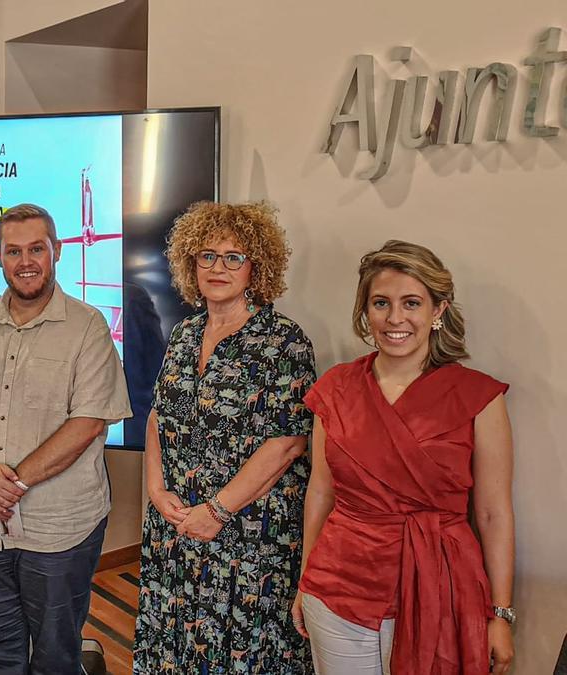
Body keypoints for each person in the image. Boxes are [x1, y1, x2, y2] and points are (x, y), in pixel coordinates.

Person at [294, 240, 515, 675]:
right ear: (366, 312)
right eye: (381, 303)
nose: (395, 318)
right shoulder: (336, 388)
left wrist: (501, 613)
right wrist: (305, 580)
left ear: (438, 310)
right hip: (339, 588)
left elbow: (492, 514)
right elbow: (320, 492)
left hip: (442, 586)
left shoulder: (478, 396)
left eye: (411, 303)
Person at [0, 203, 132, 674]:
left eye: (36, 249)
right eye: (13, 251)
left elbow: (88, 422)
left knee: (54, 656)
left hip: (59, 526)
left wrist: (14, 482)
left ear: (57, 252)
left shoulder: (88, 328)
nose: (25, 261)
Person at [134, 201, 316, 674]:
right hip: (176, 525)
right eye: (207, 256)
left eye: (234, 257)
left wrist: (216, 512)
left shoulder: (284, 340)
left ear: (257, 267)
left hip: (249, 536)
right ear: (189, 263)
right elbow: (158, 415)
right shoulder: (183, 333)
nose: (218, 268)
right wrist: (156, 489)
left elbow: (287, 444)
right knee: (176, 646)